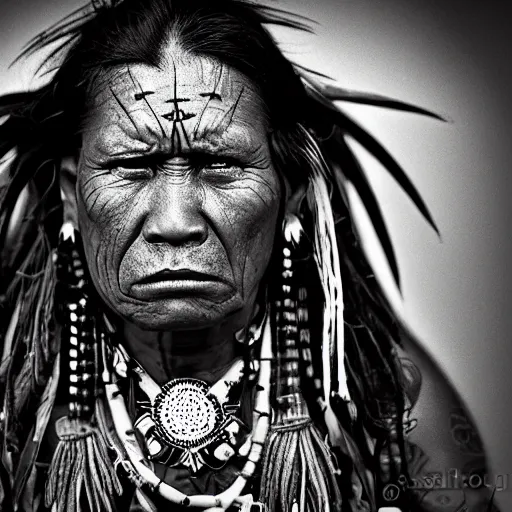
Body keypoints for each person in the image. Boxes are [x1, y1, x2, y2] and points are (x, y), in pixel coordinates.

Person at [0, 0, 499, 511]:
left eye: (220, 163)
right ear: (69, 190)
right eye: (132, 166)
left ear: (293, 191)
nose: (176, 223)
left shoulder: (386, 394)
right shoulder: (9, 401)